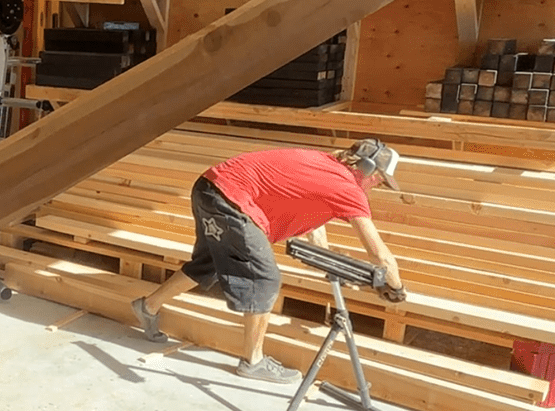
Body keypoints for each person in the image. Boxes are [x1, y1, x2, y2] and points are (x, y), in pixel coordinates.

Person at [130, 139, 407, 384]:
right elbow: (379, 255)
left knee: (208, 263)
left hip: (209, 187)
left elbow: (315, 225)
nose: (377, 186)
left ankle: (148, 306)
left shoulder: (324, 165)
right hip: (232, 201)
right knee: (264, 278)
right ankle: (253, 362)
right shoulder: (349, 189)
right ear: (367, 169)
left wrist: (327, 260)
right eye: (379, 180)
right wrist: (395, 289)